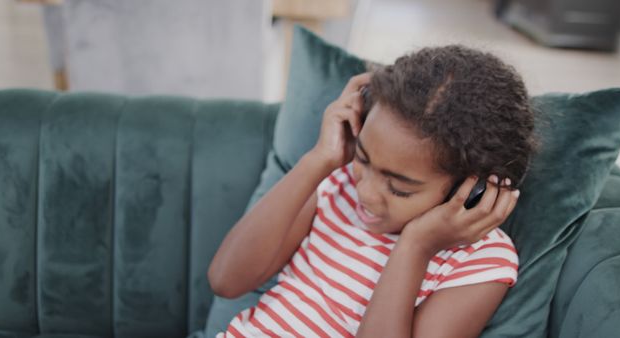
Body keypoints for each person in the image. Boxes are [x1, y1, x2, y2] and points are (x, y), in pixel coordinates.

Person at [207, 45, 539, 337]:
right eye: (363, 160)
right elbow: (226, 280)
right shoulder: (336, 186)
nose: (365, 192)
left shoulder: (480, 260)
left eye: (399, 189)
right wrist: (319, 160)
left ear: (473, 189)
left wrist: (416, 245)